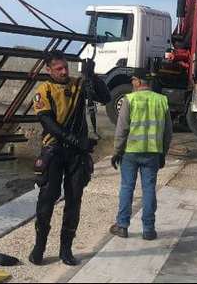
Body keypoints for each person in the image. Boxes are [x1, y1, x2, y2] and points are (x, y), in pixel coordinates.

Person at [29, 50, 110, 266]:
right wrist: (76, 141)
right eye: (59, 69)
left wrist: (93, 77)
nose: (64, 71)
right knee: (47, 199)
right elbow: (47, 123)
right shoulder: (43, 90)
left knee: (74, 200)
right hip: (54, 150)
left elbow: (106, 97)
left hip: (77, 156)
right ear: (49, 70)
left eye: (65, 67)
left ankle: (66, 249)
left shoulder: (78, 84)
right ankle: (40, 246)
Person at [109, 70, 172, 241]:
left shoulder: (129, 99)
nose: (132, 83)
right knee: (149, 189)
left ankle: (122, 226)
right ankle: (149, 229)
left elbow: (121, 130)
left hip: (130, 152)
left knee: (127, 188)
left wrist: (116, 152)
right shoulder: (161, 100)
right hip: (152, 153)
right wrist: (163, 153)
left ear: (137, 81)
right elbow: (168, 133)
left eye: (133, 80)